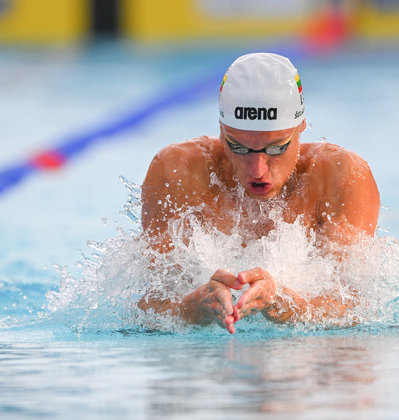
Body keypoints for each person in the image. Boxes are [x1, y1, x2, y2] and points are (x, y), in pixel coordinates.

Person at [138, 52, 380, 334]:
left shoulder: (340, 178)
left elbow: (357, 306)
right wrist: (193, 307)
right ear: (221, 130)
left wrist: (285, 304)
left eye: (276, 148)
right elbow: (148, 306)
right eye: (238, 147)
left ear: (301, 127)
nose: (257, 169)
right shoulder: (178, 172)